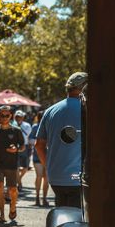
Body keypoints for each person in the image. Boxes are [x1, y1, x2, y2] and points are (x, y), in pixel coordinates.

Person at [35, 72, 87, 208]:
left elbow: (39, 145)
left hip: (56, 177)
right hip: (79, 179)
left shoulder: (50, 111)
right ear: (84, 88)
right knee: (78, 221)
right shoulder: (87, 110)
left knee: (62, 215)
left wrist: (49, 167)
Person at [0, 105, 25, 223]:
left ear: (10, 116)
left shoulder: (16, 131)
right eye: (2, 115)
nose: (4, 117)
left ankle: (13, 206)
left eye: (7, 115)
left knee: (12, 190)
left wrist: (16, 149)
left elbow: (22, 147)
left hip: (12, 165)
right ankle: (2, 215)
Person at [29, 111, 49, 206]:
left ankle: (44, 198)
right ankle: (37, 198)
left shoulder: (50, 126)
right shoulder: (35, 127)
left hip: (49, 156)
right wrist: (41, 142)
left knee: (47, 178)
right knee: (39, 176)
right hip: (38, 156)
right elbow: (30, 139)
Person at [14, 110, 32, 190]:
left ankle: (19, 179)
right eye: (17, 117)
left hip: (25, 146)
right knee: (16, 167)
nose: (18, 118)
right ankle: (19, 183)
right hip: (16, 147)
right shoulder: (12, 124)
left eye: (20, 117)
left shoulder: (27, 125)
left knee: (25, 167)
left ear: (23, 117)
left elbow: (29, 136)